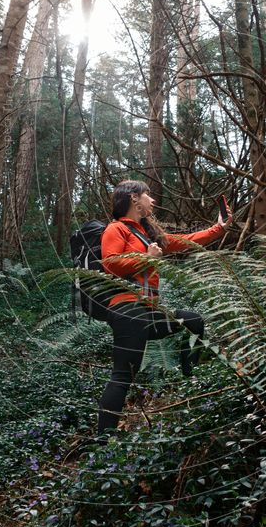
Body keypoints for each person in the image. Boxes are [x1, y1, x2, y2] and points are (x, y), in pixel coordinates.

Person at [98, 179, 232, 436]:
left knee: (193, 321)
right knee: (123, 376)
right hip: (127, 310)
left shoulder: (146, 233)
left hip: (148, 311)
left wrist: (218, 228)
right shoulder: (116, 229)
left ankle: (187, 378)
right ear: (133, 198)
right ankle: (102, 443)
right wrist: (145, 259)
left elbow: (187, 240)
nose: (153, 200)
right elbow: (110, 263)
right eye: (148, 195)